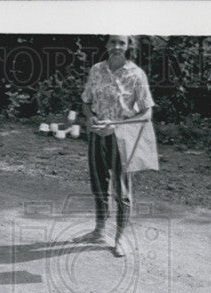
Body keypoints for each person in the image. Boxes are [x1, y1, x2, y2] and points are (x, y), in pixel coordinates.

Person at [75, 34, 156, 257]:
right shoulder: (96, 70)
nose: (116, 47)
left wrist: (117, 126)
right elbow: (86, 102)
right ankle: (99, 231)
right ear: (106, 45)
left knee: (122, 192)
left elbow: (147, 112)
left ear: (129, 46)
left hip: (123, 137)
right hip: (97, 135)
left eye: (121, 43)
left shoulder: (136, 74)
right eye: (113, 42)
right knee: (98, 185)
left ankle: (119, 239)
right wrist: (90, 118)